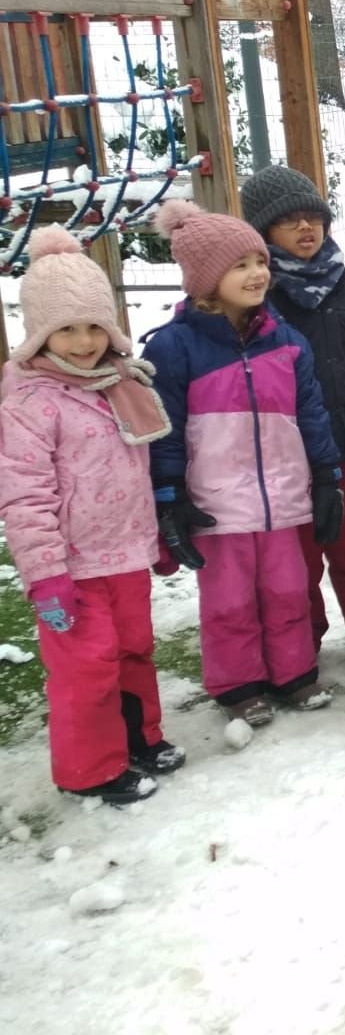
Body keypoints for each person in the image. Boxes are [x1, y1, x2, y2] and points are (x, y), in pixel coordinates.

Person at [143, 200, 345, 726]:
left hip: (282, 497)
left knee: (288, 590)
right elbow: (163, 431)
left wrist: (326, 477)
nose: (257, 274)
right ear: (206, 279)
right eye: (240, 265)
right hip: (215, 504)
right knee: (228, 600)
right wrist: (170, 494)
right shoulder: (174, 348)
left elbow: (312, 414)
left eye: (260, 262)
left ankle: (293, 672)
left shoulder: (287, 342)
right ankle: (238, 684)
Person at [0, 227, 183, 805]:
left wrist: (156, 536)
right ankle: (91, 768)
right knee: (87, 667)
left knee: (134, 651)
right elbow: (25, 497)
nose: (83, 342)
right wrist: (44, 575)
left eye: (94, 326)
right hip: (71, 568)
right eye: (67, 329)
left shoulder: (119, 385)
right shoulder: (30, 402)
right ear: (40, 333)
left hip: (125, 555)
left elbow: (135, 472)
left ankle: (138, 737)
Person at [243, 163, 345, 656]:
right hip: (287, 457)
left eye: (314, 217)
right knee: (296, 557)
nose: (305, 227)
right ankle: (298, 640)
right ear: (262, 231)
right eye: (289, 220)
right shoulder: (256, 296)